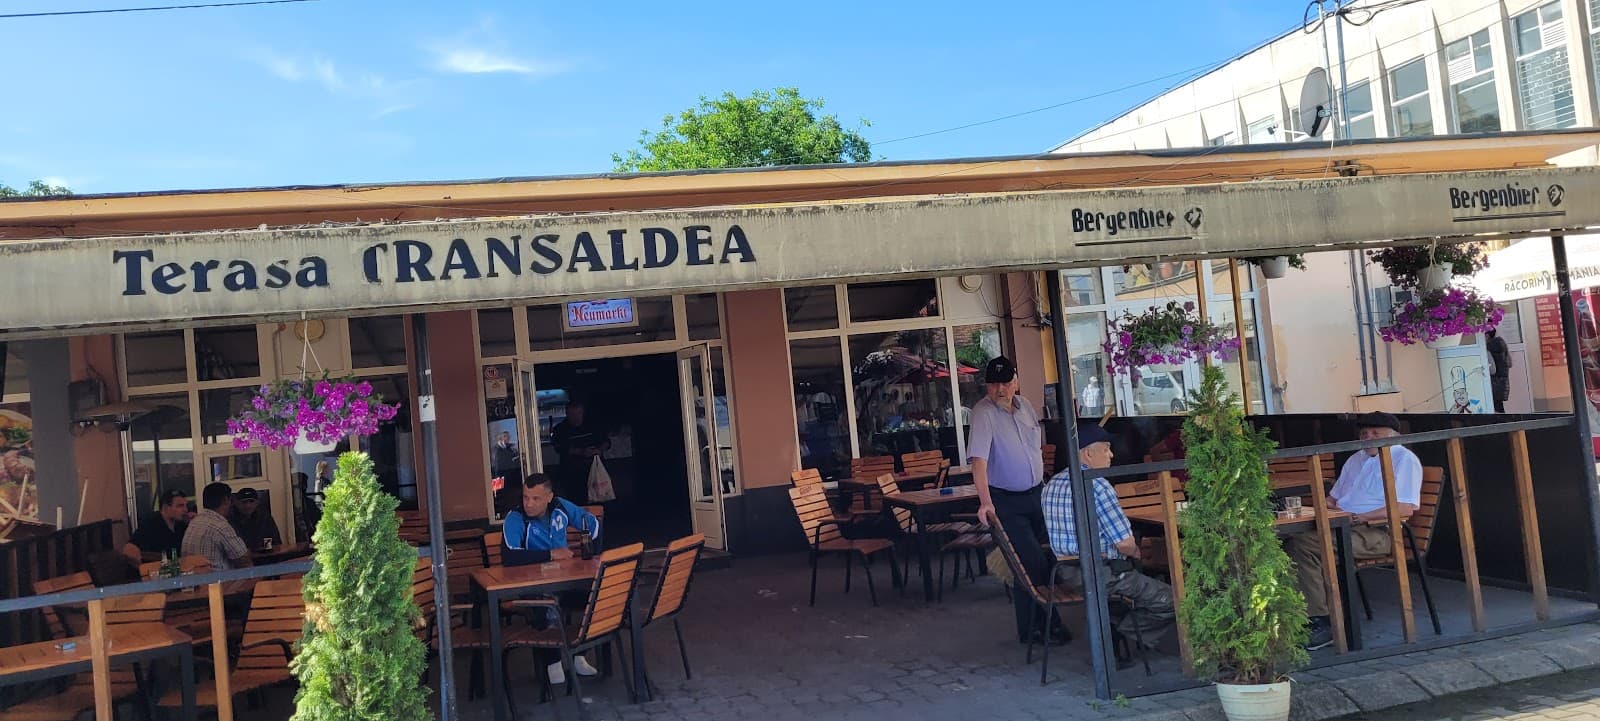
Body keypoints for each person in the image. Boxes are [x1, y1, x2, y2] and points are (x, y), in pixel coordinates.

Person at [1042, 423, 1176, 665]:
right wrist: (1137, 552)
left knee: (1133, 586)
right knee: (1174, 599)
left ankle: (1114, 628)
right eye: (1106, 449)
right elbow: (1125, 544)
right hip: (1102, 573)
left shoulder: (1052, 484)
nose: (1111, 455)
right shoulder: (1097, 485)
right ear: (1086, 453)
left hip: (1066, 572)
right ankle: (1121, 629)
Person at [1287, 411, 1421, 650]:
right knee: (1288, 540)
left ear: (1393, 435)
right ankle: (1298, 618)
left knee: (1302, 546)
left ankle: (1322, 622)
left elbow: (1405, 507)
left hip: (1379, 532)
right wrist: (1310, 506)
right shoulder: (1356, 459)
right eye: (1364, 433)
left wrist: (1360, 517)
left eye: (1375, 433)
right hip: (1344, 525)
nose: (1368, 437)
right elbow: (1334, 499)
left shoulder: (1403, 458)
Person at [967, 356, 1065, 646]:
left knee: (1047, 557)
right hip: (1006, 501)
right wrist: (985, 503)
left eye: (1006, 382)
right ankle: (1049, 625)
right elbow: (979, 463)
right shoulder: (983, 414)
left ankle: (1034, 628)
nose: (1001, 389)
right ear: (988, 385)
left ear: (1015, 382)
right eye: (995, 383)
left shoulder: (1027, 408)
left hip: (1036, 494)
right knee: (1030, 562)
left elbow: (1034, 450)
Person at [501, 474, 602, 684]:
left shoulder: (561, 507)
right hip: (530, 586)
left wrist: (587, 552)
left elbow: (593, 525)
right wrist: (550, 554)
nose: (529, 503)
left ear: (549, 497)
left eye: (536, 498)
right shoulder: (516, 517)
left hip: (564, 580)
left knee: (594, 598)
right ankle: (552, 662)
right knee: (545, 604)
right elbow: (510, 556)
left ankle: (579, 654)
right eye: (526, 497)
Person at [182, 482, 254, 571]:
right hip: (218, 582)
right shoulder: (220, 525)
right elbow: (243, 559)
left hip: (194, 581)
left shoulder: (195, 521)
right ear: (225, 500)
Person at [551, 402, 609, 505]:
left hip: (596, 473)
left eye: (578, 414)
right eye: (572, 414)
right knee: (577, 503)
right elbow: (559, 448)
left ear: (583, 413)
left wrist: (598, 450)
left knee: (598, 503)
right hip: (572, 475)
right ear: (567, 414)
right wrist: (581, 452)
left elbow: (607, 442)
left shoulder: (593, 425)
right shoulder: (560, 429)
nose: (576, 417)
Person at [122, 489, 189, 564]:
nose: (186, 510)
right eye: (180, 506)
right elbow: (128, 548)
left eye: (186, 505)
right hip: (156, 570)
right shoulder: (150, 524)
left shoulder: (181, 525)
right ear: (166, 508)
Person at [1487, 328, 1512, 414]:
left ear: (1486, 335)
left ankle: (1504, 425)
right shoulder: (1502, 344)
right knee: (1499, 406)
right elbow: (1510, 363)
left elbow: (1492, 370)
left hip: (1494, 382)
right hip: (1503, 381)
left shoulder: (1488, 348)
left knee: (1496, 407)